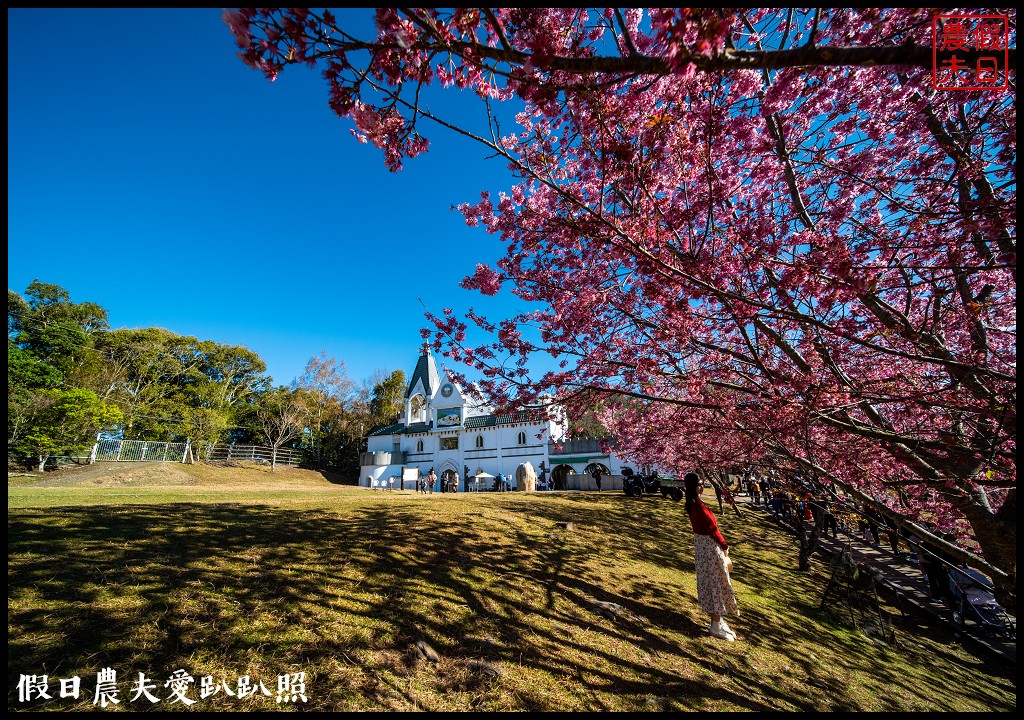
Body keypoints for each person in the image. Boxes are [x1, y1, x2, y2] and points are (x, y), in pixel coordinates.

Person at [683, 472, 739, 641]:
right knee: (716, 582)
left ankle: (719, 620)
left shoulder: (693, 504)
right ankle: (715, 624)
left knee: (713, 582)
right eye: (699, 484)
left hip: (703, 548)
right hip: (709, 547)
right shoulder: (698, 506)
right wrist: (724, 545)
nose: (702, 486)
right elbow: (712, 529)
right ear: (692, 486)